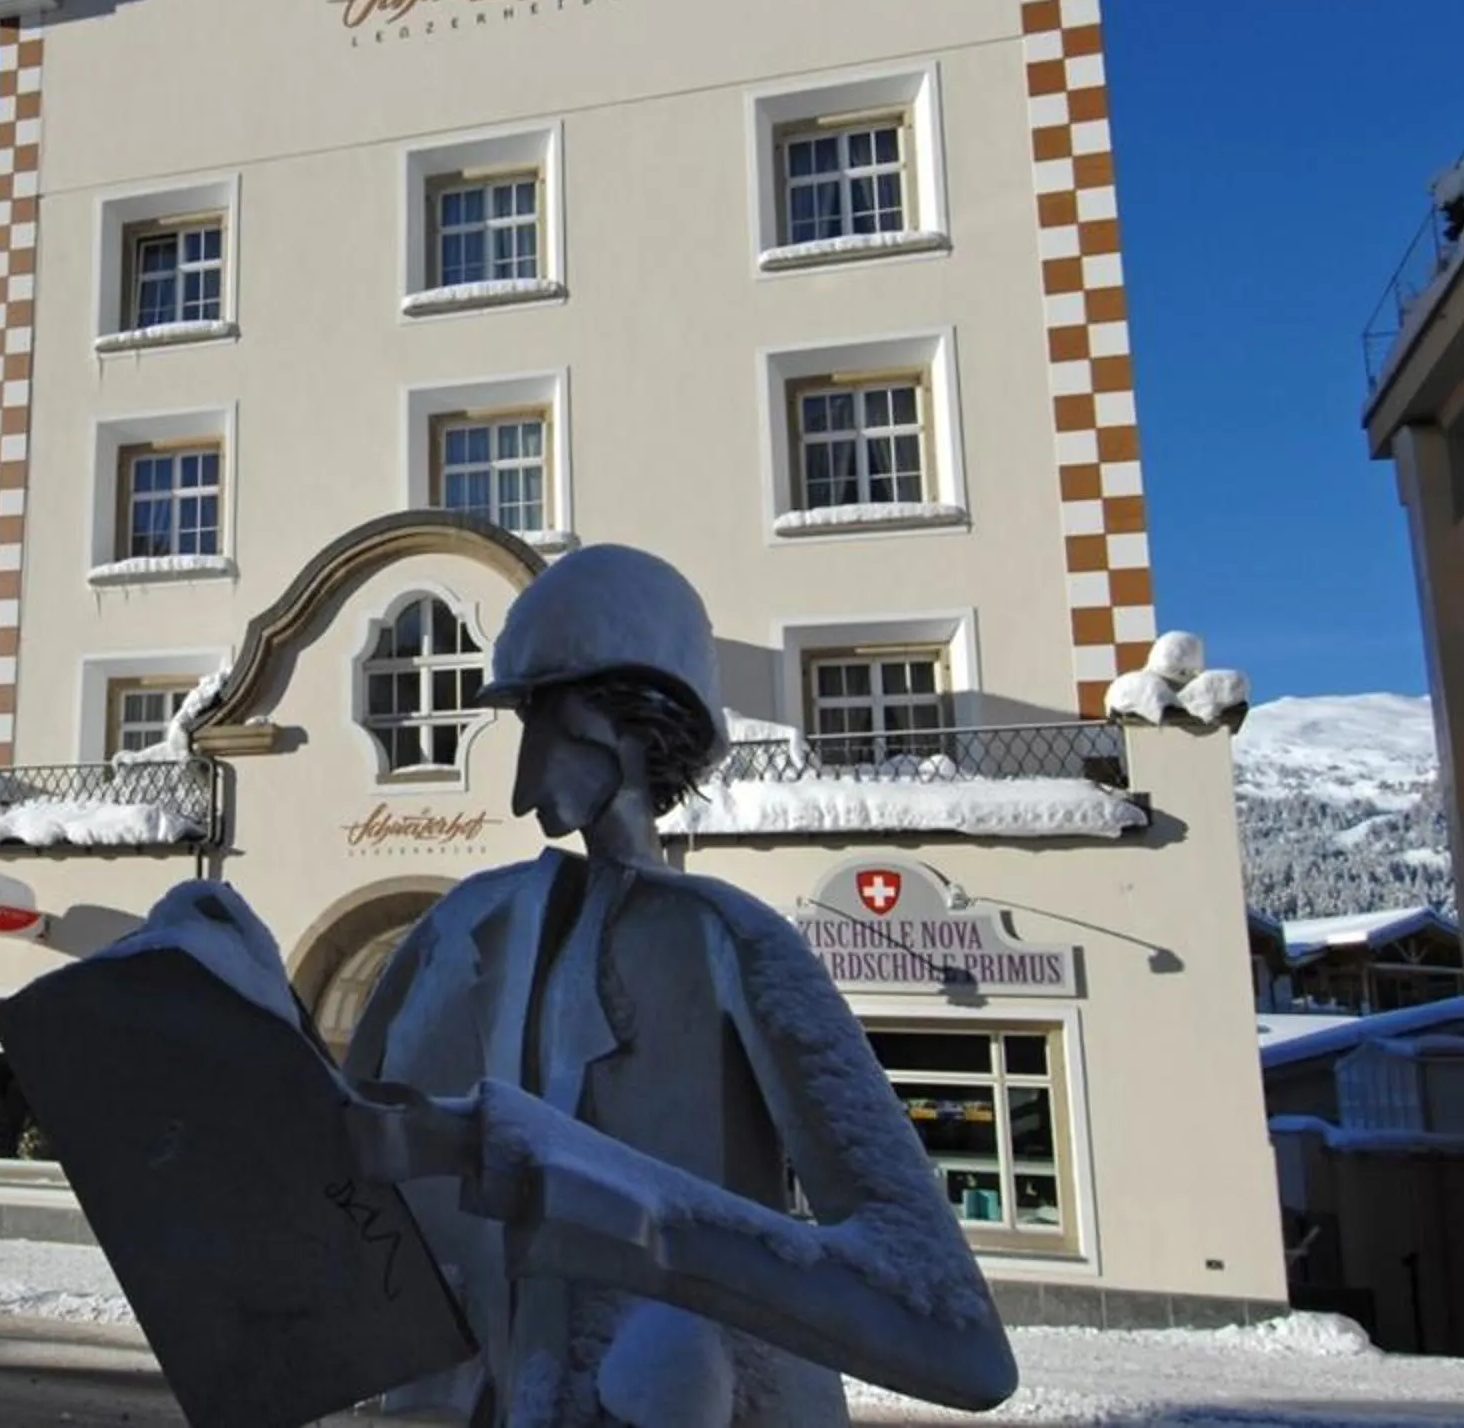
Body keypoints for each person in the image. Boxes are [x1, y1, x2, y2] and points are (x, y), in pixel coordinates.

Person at [339, 544, 1017, 1427]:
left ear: (624, 729)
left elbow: (955, 1338)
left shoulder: (729, 941)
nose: (520, 786)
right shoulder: (466, 927)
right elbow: (339, 1198)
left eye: (546, 725)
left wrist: (598, 1194)